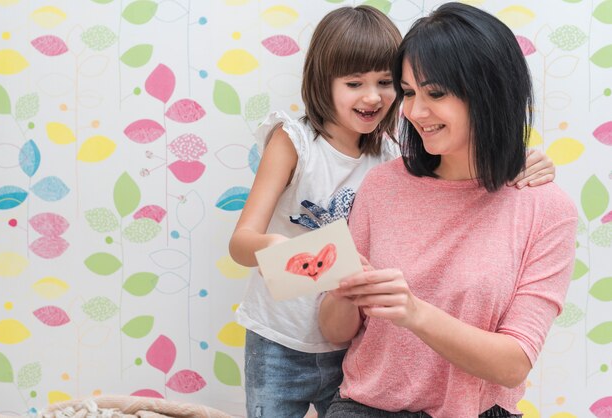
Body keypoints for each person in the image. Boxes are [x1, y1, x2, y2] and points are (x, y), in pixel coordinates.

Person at [229, 5, 556, 418]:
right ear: (321, 82)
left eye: (387, 83)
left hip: (344, 349)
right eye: (353, 83)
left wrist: (521, 160)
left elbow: (465, 161)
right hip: (283, 336)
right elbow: (242, 243)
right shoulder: (298, 143)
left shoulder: (392, 156)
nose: (373, 97)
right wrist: (299, 255)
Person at [319, 3, 578, 418]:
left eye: (435, 93)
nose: (414, 112)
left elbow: (514, 363)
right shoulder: (382, 186)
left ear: (490, 92)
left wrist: (416, 313)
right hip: (364, 408)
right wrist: (342, 293)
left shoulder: (546, 209)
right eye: (408, 92)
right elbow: (335, 331)